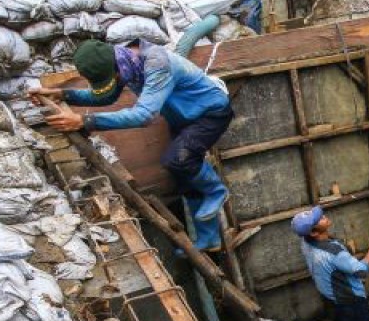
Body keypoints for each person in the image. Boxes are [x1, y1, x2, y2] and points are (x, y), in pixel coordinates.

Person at [31, 39, 233, 251]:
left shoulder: (156, 63)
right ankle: (209, 238)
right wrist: (64, 95)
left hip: (210, 114)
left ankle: (215, 191)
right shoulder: (125, 62)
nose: (116, 81)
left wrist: (86, 121)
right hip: (183, 119)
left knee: (178, 160)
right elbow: (106, 97)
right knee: (184, 178)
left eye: (114, 77)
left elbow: (144, 116)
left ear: (117, 66)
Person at [292, 205, 369, 321]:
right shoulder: (334, 253)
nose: (324, 216)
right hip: (350, 300)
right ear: (314, 232)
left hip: (330, 296)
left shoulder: (306, 242)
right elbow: (361, 271)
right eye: (319, 219)